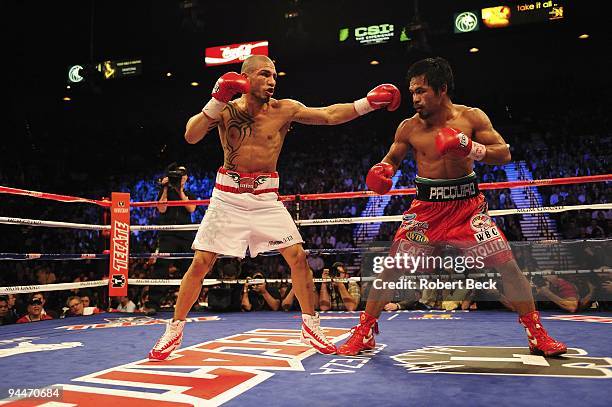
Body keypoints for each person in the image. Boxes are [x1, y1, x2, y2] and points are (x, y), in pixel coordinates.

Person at [149, 54, 400, 360]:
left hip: (266, 197)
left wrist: (368, 103)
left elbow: (330, 115)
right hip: (227, 197)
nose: (271, 81)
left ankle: (311, 325)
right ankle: (173, 331)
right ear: (247, 77)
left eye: (274, 77)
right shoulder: (226, 109)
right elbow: (191, 135)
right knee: (201, 262)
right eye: (265, 75)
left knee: (297, 256)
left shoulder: (284, 109)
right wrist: (216, 98)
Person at [337, 57, 567, 357]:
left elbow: (504, 154)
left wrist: (468, 146)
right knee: (391, 268)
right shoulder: (408, 127)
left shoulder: (471, 118)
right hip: (426, 211)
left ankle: (537, 334)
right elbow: (392, 158)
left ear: (442, 89)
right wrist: (383, 169)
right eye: (412, 92)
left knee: (507, 267)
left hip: (468, 209)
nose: (415, 99)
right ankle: (365, 332)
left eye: (421, 91)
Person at [150, 164, 197, 311]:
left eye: (182, 175)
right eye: (177, 175)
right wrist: (164, 188)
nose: (180, 178)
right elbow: (161, 208)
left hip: (185, 234)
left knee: (189, 269)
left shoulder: (188, 193)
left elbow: (191, 208)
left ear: (186, 177)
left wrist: (180, 191)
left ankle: (191, 303)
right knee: (161, 267)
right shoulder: (166, 192)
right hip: (168, 235)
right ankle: (153, 304)